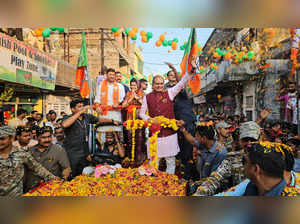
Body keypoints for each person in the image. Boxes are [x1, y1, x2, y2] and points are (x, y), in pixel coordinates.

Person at [139, 58, 196, 174]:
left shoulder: (169, 92)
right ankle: (155, 184)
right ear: (153, 85)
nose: (160, 86)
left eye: (161, 83)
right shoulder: (147, 97)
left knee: (170, 161)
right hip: (154, 134)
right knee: (154, 162)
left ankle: (168, 183)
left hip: (169, 133)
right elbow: (141, 114)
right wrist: (150, 119)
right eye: (157, 84)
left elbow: (181, 83)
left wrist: (191, 71)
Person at [191, 121, 261, 196]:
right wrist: (200, 193)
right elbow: (215, 178)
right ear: (240, 140)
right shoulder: (232, 159)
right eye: (245, 140)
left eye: (253, 140)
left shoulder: (268, 157)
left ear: (260, 139)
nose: (249, 143)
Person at [61, 99, 118, 178]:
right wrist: (80, 112)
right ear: (73, 109)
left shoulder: (87, 117)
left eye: (83, 106)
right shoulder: (68, 117)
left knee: (83, 174)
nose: (82, 108)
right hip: (71, 152)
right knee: (72, 174)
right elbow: (65, 124)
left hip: (84, 151)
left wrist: (112, 121)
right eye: (79, 107)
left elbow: (99, 120)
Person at [0, 126, 58, 196]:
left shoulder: (21, 153)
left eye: (2, 139)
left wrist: (54, 179)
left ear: (11, 138)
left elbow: (36, 167)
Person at [164, 62, 197, 180]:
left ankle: (189, 178)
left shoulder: (181, 89)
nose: (172, 77)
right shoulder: (166, 90)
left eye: (174, 75)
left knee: (188, 152)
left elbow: (181, 82)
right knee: (178, 152)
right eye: (170, 75)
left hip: (187, 122)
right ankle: (180, 175)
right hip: (175, 125)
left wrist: (173, 67)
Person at [24, 126, 71, 192]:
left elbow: (66, 168)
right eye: (43, 137)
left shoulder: (58, 150)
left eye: (49, 137)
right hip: (31, 189)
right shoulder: (30, 151)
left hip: (50, 188)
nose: (47, 140)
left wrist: (63, 178)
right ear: (37, 138)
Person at [94, 68, 126, 144]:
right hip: (104, 115)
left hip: (116, 114)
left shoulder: (120, 86)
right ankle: (102, 152)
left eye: (113, 75)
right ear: (106, 76)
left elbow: (123, 99)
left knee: (116, 134)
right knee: (102, 136)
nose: (112, 76)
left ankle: (116, 153)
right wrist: (97, 107)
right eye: (110, 74)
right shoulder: (101, 85)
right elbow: (97, 99)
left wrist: (118, 103)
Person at [122, 78, 146, 166]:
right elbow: (124, 105)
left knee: (139, 138)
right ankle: (131, 158)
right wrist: (131, 98)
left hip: (139, 119)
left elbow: (146, 105)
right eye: (131, 85)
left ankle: (140, 159)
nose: (133, 87)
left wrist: (137, 98)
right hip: (130, 119)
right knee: (130, 138)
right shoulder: (128, 94)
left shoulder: (142, 94)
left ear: (138, 85)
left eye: (134, 85)